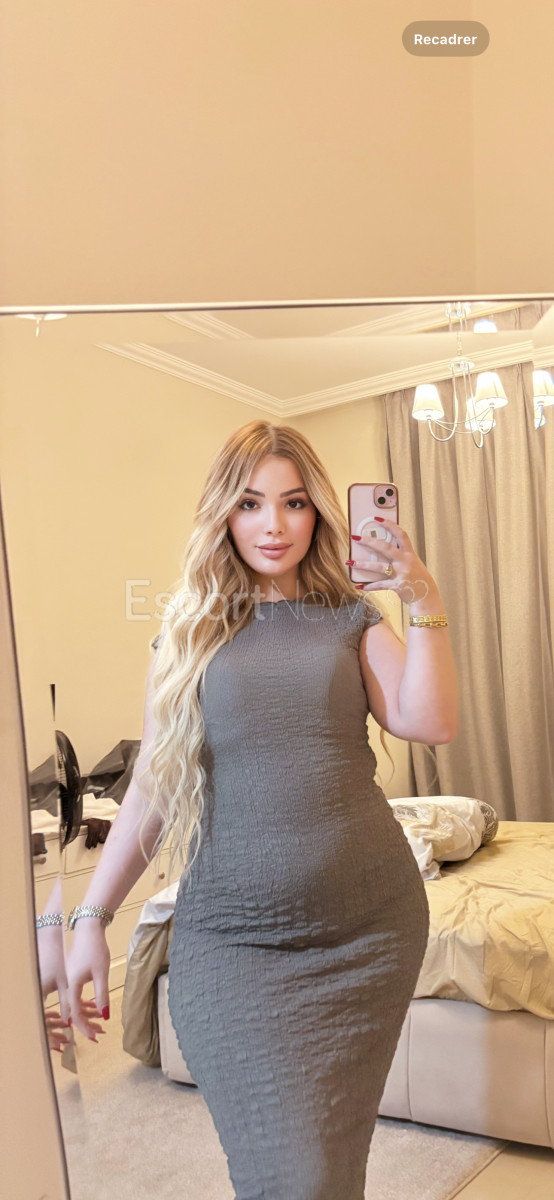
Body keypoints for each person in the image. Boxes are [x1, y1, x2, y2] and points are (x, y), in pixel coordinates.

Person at [66, 420, 458, 1200]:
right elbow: (153, 788)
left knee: (328, 1169)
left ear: (318, 512)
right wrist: (88, 917)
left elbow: (430, 721)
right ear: (223, 513)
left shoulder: (351, 619)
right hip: (232, 944)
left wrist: (423, 596)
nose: (273, 524)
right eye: (250, 503)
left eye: (293, 502)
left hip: (368, 933)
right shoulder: (186, 635)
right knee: (289, 1173)